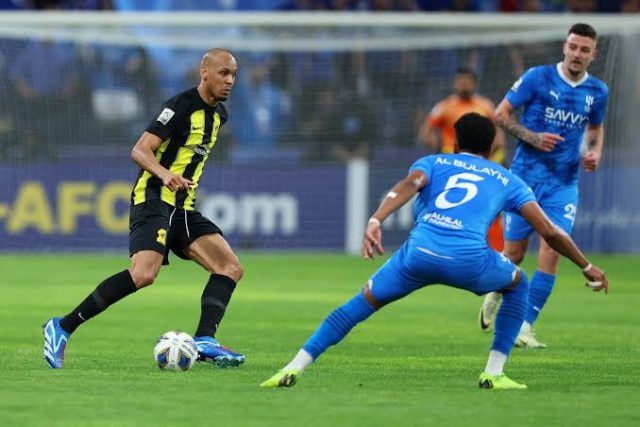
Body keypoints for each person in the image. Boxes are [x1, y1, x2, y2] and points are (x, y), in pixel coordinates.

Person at [261, 113, 608, 390]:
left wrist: (376, 220)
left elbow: (409, 185)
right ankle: (494, 373)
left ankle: (294, 366)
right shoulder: (507, 179)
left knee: (358, 305)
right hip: (470, 261)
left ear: (455, 144)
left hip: (418, 256)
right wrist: (586, 265)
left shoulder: (433, 161)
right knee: (518, 284)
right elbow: (550, 231)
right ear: (491, 149)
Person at [43, 48, 246, 369]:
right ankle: (62, 326)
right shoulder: (180, 106)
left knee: (230, 267)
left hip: (183, 208)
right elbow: (140, 150)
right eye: (223, 73)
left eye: (233, 74)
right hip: (153, 198)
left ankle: (205, 339)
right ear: (204, 72)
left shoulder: (220, 115)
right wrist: (165, 175)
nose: (230, 80)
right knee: (144, 273)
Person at [478, 23, 609, 349]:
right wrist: (532, 137)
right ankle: (495, 291)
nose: (577, 54)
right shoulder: (538, 77)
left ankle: (524, 326)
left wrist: (595, 152)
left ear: (593, 55)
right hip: (524, 180)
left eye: (584, 49)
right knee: (514, 254)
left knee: (553, 249)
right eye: (573, 47)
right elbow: (500, 114)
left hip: (563, 184)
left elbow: (595, 128)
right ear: (564, 47)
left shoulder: (598, 91)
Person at [418, 67, 506, 251]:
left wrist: (492, 158)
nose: (463, 84)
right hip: (453, 166)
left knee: (492, 208)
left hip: (481, 165)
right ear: (454, 83)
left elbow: (499, 137)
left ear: (474, 83)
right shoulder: (444, 107)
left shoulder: (485, 106)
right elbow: (426, 132)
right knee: (450, 209)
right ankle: (446, 249)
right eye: (460, 81)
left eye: (467, 81)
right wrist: (439, 151)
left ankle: (498, 252)